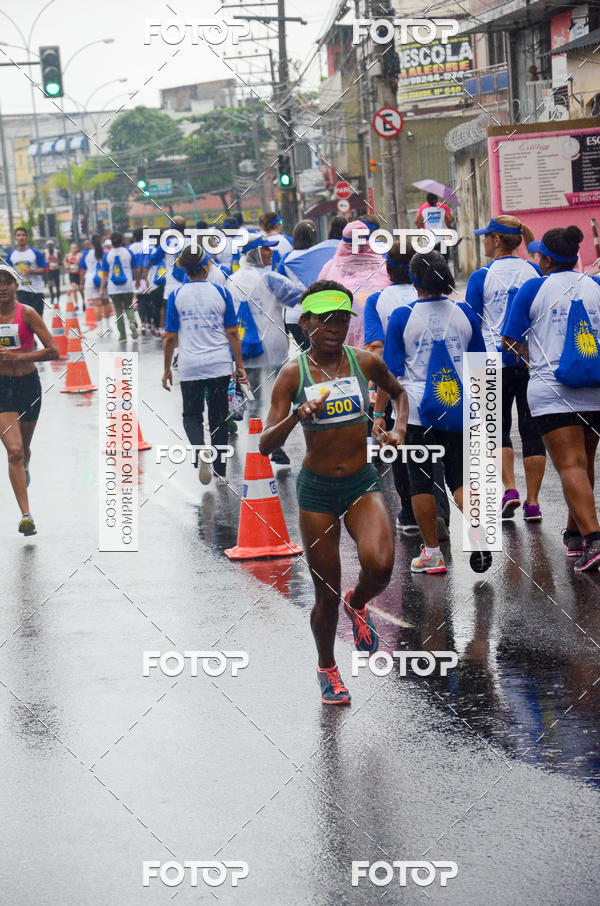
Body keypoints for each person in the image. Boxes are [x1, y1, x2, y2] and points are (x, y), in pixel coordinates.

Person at [259, 280, 407, 704]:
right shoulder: (293, 374)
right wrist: (297, 416)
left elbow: (399, 393)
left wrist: (397, 429)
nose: (334, 328)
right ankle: (327, 667)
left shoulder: (364, 362)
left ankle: (357, 603)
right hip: (318, 493)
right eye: (325, 320)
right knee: (325, 595)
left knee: (381, 566)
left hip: (361, 482)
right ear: (305, 322)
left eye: (342, 320)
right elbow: (266, 444)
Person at [376, 250, 490, 576]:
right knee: (460, 479)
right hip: (458, 409)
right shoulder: (465, 313)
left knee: (421, 484)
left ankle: (432, 554)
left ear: (414, 280)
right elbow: (480, 365)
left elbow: (390, 373)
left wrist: (380, 413)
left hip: (416, 416)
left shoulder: (402, 317)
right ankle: (478, 535)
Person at [502, 225, 600, 572]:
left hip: (553, 392)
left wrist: (534, 354)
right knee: (584, 463)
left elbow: (509, 340)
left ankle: (594, 539)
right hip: (595, 389)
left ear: (545, 259)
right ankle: (575, 535)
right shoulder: (595, 285)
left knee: (570, 465)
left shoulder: (534, 288)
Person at [364, 243, 449, 540]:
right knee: (438, 454)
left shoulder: (377, 299)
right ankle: (440, 513)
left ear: (387, 268)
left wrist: (375, 393)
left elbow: (376, 348)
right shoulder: (433, 294)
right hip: (444, 386)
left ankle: (410, 515)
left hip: (398, 388)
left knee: (401, 451)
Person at [467, 215, 546, 521]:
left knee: (497, 430)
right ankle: (533, 502)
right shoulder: (534, 272)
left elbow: (472, 325)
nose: (484, 242)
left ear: (497, 240)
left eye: (486, 237)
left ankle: (510, 490)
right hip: (529, 362)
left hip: (492, 362)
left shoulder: (480, 277)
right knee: (531, 430)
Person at [162, 246, 248, 486]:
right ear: (205, 268)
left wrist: (166, 368)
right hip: (219, 364)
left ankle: (200, 451)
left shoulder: (176, 295)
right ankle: (220, 472)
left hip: (190, 366)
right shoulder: (221, 292)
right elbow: (233, 333)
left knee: (192, 415)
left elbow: (170, 338)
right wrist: (239, 366)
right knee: (219, 417)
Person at [226, 234, 303, 465]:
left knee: (254, 401)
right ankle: (274, 445)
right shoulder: (270, 277)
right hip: (273, 349)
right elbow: (298, 297)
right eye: (265, 250)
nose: (271, 253)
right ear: (254, 253)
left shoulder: (232, 279)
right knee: (278, 401)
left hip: (246, 349)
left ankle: (256, 445)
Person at [0, 263, 59, 535]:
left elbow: (53, 351)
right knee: (13, 451)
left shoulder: (28, 313)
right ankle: (27, 516)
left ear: (16, 286)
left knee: (23, 449)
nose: (2, 288)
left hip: (28, 385)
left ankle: (25, 463)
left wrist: (18, 357)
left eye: (7, 282)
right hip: (2, 388)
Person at [318, 218, 390, 347]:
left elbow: (319, 299)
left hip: (341, 335)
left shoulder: (330, 268)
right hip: (379, 338)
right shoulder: (384, 267)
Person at [277, 219, 338, 351]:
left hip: (295, 315)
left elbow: (279, 286)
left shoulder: (287, 258)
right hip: (320, 312)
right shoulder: (321, 255)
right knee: (322, 352)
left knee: (308, 353)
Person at [100, 232, 140, 341]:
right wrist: (137, 281)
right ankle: (132, 322)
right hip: (127, 286)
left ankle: (122, 335)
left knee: (118, 311)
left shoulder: (107, 255)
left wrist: (102, 289)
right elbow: (136, 269)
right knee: (129, 306)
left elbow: (104, 274)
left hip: (113, 288)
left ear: (111, 242)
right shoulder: (128, 252)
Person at [6, 226, 47, 316]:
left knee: (38, 319)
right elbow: (7, 272)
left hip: (36, 291)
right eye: (19, 235)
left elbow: (44, 269)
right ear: (15, 238)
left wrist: (32, 271)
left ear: (27, 237)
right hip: (21, 290)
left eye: (23, 235)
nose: (21, 237)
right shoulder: (11, 255)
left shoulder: (35, 253)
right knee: (25, 318)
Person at [80, 235, 110, 332]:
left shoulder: (86, 254)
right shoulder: (105, 253)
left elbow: (82, 270)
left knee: (96, 305)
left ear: (91, 243)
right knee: (105, 302)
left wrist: (81, 282)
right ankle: (108, 326)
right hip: (103, 279)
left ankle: (100, 328)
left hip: (90, 281)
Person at [128, 227, 150, 334]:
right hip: (147, 277)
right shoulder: (147, 246)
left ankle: (143, 323)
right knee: (149, 300)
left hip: (135, 278)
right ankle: (150, 322)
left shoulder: (130, 248)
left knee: (140, 301)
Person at [65, 243, 84, 309]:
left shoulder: (80, 255)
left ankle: (83, 302)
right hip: (72, 274)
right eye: (72, 248)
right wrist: (66, 265)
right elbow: (65, 261)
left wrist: (79, 263)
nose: (74, 249)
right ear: (70, 249)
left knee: (81, 289)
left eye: (75, 248)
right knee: (74, 289)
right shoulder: (68, 256)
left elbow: (83, 264)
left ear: (77, 249)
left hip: (79, 274)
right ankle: (76, 305)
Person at [44, 240, 62, 304]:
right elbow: (42, 261)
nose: (50, 247)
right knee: (50, 284)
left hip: (56, 270)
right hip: (49, 271)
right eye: (48, 245)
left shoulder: (57, 252)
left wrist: (58, 265)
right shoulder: (44, 252)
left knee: (57, 286)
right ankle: (52, 296)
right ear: (47, 246)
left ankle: (58, 299)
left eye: (51, 245)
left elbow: (61, 262)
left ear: (53, 246)